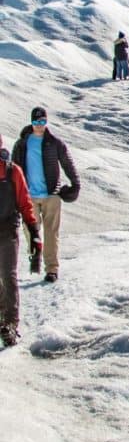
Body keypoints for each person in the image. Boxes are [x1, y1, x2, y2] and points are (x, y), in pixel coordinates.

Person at [12, 107, 80, 284]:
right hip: (29, 196)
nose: (39, 126)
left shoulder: (54, 142)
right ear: (31, 122)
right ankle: (36, 256)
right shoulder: (22, 143)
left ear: (46, 122)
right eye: (36, 122)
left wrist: (75, 183)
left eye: (42, 122)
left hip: (52, 195)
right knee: (30, 231)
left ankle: (51, 269)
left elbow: (67, 163)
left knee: (51, 233)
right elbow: (14, 169)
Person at [0, 134, 42, 346]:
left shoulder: (12, 171)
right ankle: (3, 316)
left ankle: (10, 325)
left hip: (8, 232)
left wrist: (34, 233)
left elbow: (25, 203)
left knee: (9, 276)